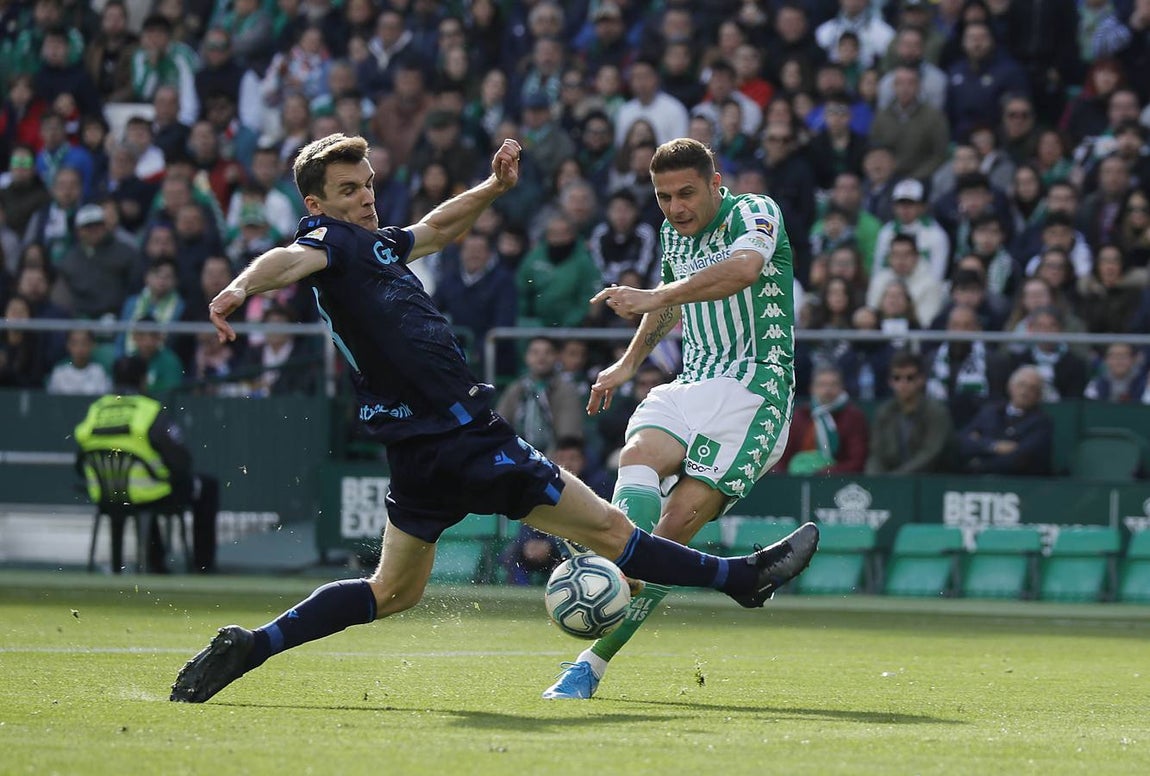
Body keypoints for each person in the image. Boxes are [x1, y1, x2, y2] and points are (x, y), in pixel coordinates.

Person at [169, 134, 819, 704]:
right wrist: (241, 287)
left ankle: (253, 647)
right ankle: (741, 578)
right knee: (611, 531)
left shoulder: (376, 247)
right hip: (467, 436)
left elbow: (440, 227)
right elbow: (287, 258)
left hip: (415, 449)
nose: (365, 198)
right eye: (346, 190)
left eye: (366, 184)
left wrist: (490, 186)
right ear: (317, 206)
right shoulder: (329, 242)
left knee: (392, 591)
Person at [542, 137, 802, 700]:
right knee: (636, 459)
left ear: (715, 183)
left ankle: (591, 664)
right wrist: (626, 363)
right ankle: (620, 571)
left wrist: (652, 293)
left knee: (675, 528)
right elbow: (670, 308)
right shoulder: (670, 233)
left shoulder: (755, 212)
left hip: (756, 388)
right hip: (690, 381)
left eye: (687, 193)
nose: (676, 208)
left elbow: (742, 271)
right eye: (663, 198)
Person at [74, 355, 219, 573]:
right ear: (143, 380)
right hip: (150, 493)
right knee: (206, 486)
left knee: (149, 488)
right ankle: (202, 567)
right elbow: (181, 459)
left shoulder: (97, 410)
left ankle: (155, 562)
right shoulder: (149, 410)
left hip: (105, 495)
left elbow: (80, 457)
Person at [865, 350, 953, 474]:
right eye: (897, 378)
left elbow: (931, 454)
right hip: (892, 481)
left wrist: (896, 478)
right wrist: (876, 483)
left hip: (931, 482)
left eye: (910, 378)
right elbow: (876, 454)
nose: (903, 384)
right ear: (890, 382)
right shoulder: (884, 412)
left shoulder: (936, 412)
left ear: (921, 380)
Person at [772, 364, 869, 475]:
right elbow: (782, 457)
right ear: (812, 388)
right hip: (797, 478)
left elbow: (857, 461)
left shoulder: (853, 417)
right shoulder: (800, 416)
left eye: (833, 385)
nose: (827, 390)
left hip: (837, 479)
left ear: (842, 387)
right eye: (822, 385)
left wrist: (822, 473)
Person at [957, 365, 1053, 476]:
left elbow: (1021, 458)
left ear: (1039, 395)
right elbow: (962, 442)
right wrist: (993, 446)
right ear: (1010, 386)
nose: (1024, 392)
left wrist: (980, 463)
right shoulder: (990, 412)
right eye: (1021, 385)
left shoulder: (1042, 422)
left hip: (1019, 484)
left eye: (1032, 388)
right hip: (977, 481)